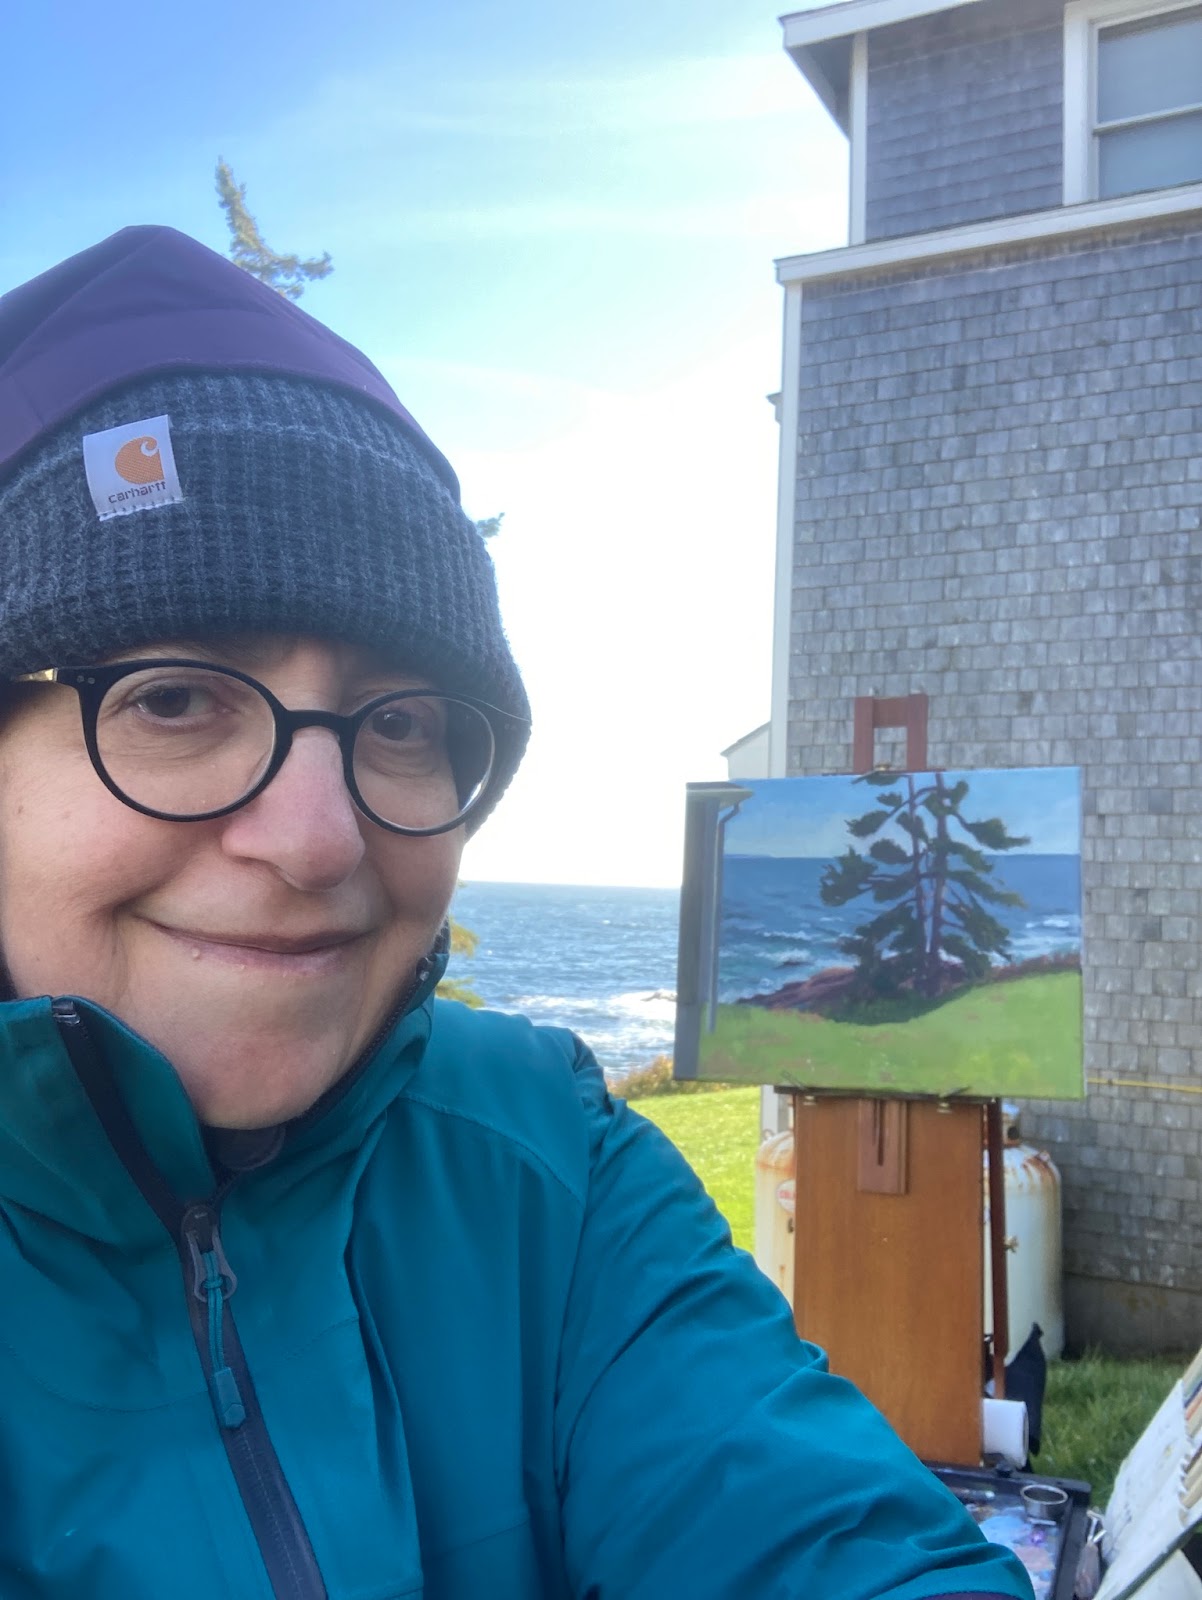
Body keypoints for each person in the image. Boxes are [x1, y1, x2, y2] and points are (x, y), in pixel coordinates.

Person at [0, 226, 1034, 1600]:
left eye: (402, 724)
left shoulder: (549, 1162)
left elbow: (826, 1544)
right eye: (173, 699)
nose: (318, 839)